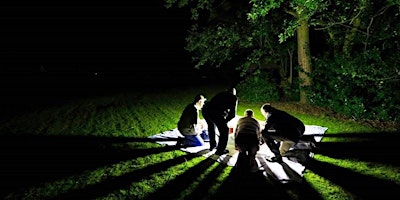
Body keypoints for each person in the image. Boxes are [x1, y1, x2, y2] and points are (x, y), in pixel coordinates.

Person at [202, 87, 238, 155]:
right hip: (215, 113)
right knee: (224, 130)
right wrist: (225, 121)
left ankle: (212, 145)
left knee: (211, 127)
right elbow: (232, 114)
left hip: (206, 110)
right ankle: (220, 150)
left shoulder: (221, 94)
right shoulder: (233, 98)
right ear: (234, 93)